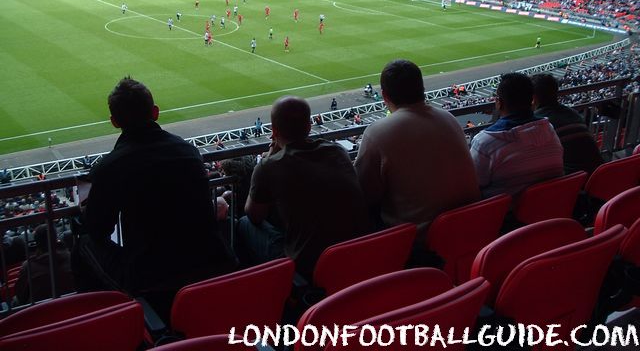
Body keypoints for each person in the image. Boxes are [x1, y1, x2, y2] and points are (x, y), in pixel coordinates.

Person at [76, 77, 236, 308]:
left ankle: (97, 318)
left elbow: (98, 230)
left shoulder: (110, 166)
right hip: (210, 260)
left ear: (114, 122)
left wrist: (87, 206)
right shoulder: (188, 151)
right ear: (155, 112)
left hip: (151, 275)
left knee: (84, 243)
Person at [239, 96, 369, 279]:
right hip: (358, 252)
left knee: (244, 224)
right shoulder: (337, 151)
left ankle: (270, 286)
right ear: (309, 126)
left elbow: (254, 215)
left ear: (274, 131)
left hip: (309, 267)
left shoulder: (269, 166)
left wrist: (269, 156)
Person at [355, 60, 479, 240]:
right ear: (422, 88)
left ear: (384, 95)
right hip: (474, 226)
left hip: (421, 241)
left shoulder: (377, 133)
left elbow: (364, 194)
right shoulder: (449, 118)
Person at [470, 73, 564, 198]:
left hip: (504, 214)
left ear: (499, 103)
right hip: (551, 204)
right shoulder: (549, 129)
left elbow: (471, 186)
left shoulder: (484, 142)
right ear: (532, 100)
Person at [532, 74, 604, 175]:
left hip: (575, 182)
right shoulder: (573, 113)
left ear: (533, 98)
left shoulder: (536, 122)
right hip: (599, 175)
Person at [15, 224, 75, 304]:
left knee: (15, 301)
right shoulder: (71, 257)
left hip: (42, 312)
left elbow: (21, 296)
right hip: (72, 306)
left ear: (37, 242)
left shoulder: (28, 266)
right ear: (56, 238)